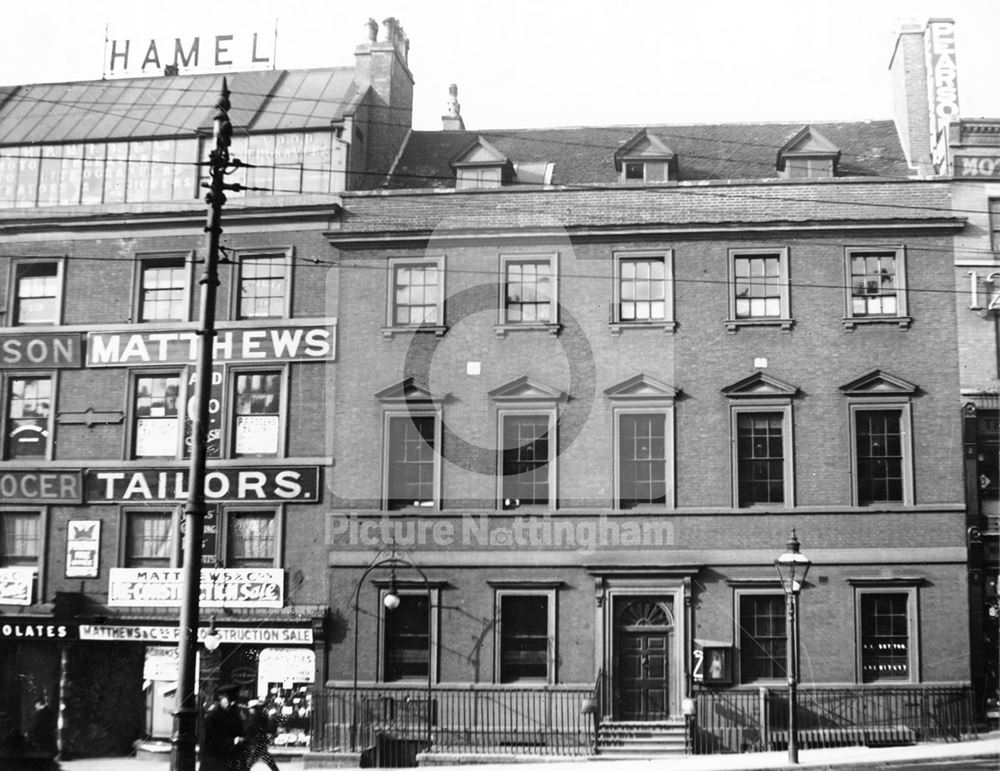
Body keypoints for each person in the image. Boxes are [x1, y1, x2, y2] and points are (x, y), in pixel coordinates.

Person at [200, 684, 244, 771]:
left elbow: (241, 734)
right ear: (221, 698)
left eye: (235, 700)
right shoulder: (212, 717)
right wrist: (233, 741)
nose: (232, 703)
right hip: (215, 763)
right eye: (229, 700)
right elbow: (209, 743)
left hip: (231, 762)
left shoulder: (235, 716)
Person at [241, 699, 279, 771]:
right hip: (261, 741)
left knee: (254, 759)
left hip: (258, 741)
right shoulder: (261, 715)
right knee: (264, 758)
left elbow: (252, 728)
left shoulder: (256, 717)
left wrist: (245, 734)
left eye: (250, 708)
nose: (249, 710)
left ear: (254, 708)